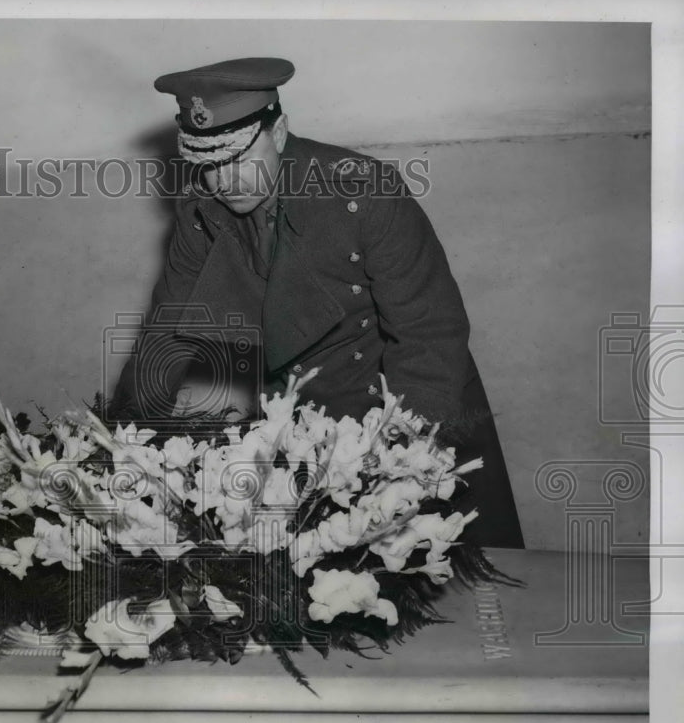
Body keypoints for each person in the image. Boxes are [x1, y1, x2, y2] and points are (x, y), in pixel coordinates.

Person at [112, 57, 524, 549]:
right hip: (296, 424)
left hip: (397, 411)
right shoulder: (201, 213)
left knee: (440, 580)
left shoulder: (364, 193)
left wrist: (396, 461)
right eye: (205, 165)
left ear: (279, 131)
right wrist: (120, 444)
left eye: (237, 159)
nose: (223, 183)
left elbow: (429, 334)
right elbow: (167, 333)